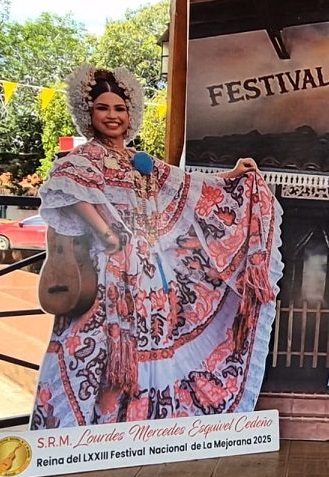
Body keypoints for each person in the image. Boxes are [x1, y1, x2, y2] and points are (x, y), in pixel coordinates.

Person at [30, 65, 282, 429]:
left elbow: (186, 185)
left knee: (151, 346)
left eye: (119, 108)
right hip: (105, 275)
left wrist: (230, 177)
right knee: (93, 348)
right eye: (103, 108)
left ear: (130, 114)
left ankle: (143, 428)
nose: (112, 116)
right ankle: (81, 435)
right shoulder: (83, 159)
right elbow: (68, 191)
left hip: (148, 276)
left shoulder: (139, 161)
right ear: (89, 113)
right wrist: (108, 236)